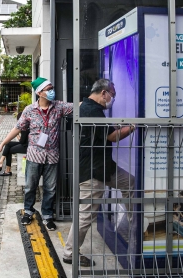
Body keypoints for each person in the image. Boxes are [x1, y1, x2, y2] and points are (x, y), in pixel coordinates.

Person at [62, 79, 135, 267]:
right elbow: (112, 136)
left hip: (103, 168)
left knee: (129, 182)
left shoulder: (84, 107)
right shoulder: (93, 111)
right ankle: (70, 252)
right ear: (103, 93)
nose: (112, 99)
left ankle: (134, 225)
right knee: (85, 215)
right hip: (94, 172)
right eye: (112, 95)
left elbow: (105, 132)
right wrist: (132, 127)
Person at [0, 77, 73, 230]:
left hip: (52, 155)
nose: (51, 91)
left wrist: (94, 98)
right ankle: (28, 211)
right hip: (34, 155)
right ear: (39, 93)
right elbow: (17, 128)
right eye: (48, 89)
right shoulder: (30, 110)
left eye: (52, 88)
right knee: (30, 186)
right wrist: (2, 144)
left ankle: (47, 215)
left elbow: (77, 106)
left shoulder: (58, 107)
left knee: (50, 188)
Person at [0, 112, 28, 177]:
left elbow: (22, 141)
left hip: (27, 147)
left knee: (9, 149)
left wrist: (17, 134)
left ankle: (7, 170)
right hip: (25, 144)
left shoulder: (25, 127)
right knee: (8, 144)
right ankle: (1, 162)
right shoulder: (25, 126)